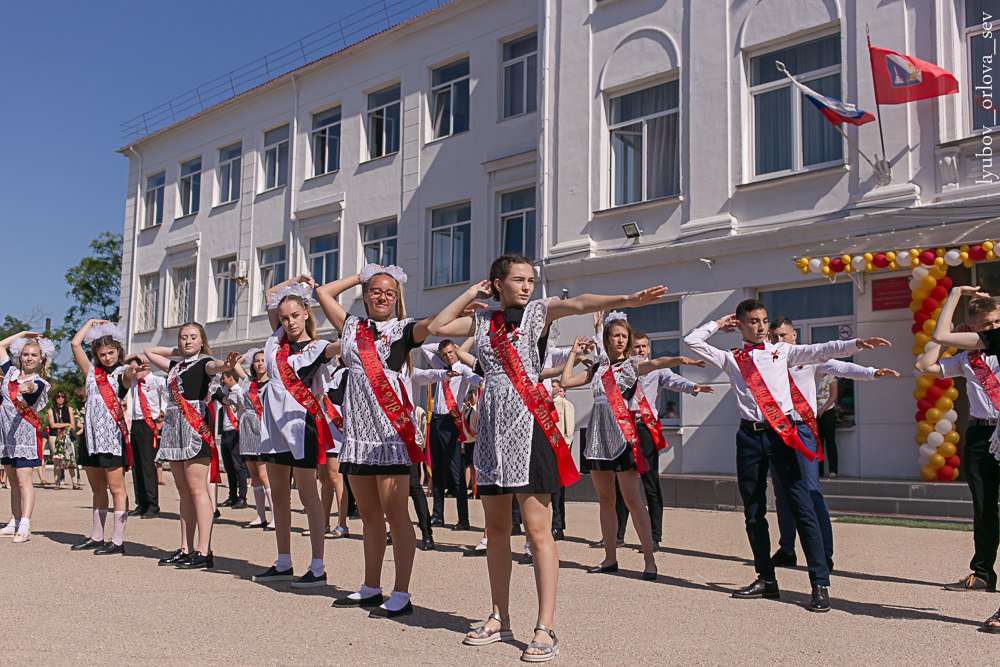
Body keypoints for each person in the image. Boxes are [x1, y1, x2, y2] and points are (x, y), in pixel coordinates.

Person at [429, 253, 667, 661]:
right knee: (498, 530)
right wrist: (473, 292)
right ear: (497, 283)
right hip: (491, 435)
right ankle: (499, 616)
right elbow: (436, 327)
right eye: (518, 279)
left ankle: (545, 626)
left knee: (538, 532)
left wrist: (629, 297)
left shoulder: (540, 312)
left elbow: (580, 303)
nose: (526, 286)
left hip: (531, 430)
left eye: (530, 279)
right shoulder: (483, 321)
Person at [684, 299, 890, 612]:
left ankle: (819, 583)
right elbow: (692, 341)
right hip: (749, 437)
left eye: (763, 320)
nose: (761, 326)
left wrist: (855, 343)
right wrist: (717, 322)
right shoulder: (732, 359)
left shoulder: (783, 351)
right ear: (739, 324)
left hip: (782, 434)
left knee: (801, 504)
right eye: (753, 321)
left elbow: (822, 351)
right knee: (754, 511)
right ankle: (766, 579)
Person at [317, 263, 436, 617]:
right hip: (358, 432)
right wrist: (362, 276)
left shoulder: (404, 328)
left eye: (388, 292)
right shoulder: (352, 326)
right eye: (374, 291)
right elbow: (323, 293)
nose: (381, 296)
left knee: (396, 514)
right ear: (366, 295)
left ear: (396, 297)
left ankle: (401, 591)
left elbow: (435, 323)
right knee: (369, 515)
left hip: (389, 433)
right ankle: (371, 586)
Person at [561, 317, 701, 580]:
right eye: (615, 336)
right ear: (607, 339)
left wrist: (681, 361)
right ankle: (610, 558)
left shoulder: (633, 365)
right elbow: (566, 381)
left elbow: (657, 363)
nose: (621, 340)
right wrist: (573, 353)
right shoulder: (598, 368)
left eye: (624, 336)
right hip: (598, 437)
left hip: (624, 436)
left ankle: (649, 560)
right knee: (605, 501)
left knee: (633, 500)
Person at [768, 316, 899, 570]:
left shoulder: (807, 356)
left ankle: (824, 553)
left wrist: (871, 373)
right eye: (774, 337)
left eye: (782, 336)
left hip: (802, 427)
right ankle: (787, 549)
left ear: (794, 336)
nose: (778, 341)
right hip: (778, 429)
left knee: (810, 489)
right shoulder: (768, 360)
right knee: (782, 493)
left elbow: (841, 368)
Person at [250, 277, 338, 589]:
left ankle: (317, 565)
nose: (288, 322)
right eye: (284, 317)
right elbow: (269, 295)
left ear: (306, 313)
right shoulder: (274, 344)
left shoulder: (318, 346)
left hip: (302, 428)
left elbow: (339, 348)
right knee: (279, 496)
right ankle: (283, 560)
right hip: (273, 429)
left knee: (308, 496)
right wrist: (296, 282)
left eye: (295, 316)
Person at [600, 324, 713, 551]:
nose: (640, 350)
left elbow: (674, 381)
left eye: (644, 347)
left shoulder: (656, 370)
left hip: (644, 429)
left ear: (649, 348)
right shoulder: (624, 368)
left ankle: (654, 536)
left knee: (650, 483)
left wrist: (694, 387)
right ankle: (618, 534)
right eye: (637, 347)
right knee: (621, 482)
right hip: (622, 427)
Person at [922, 287, 1000, 596]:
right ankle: (982, 573)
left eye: (997, 322)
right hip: (980, 434)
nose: (994, 328)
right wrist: (953, 333)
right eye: (987, 324)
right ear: (975, 327)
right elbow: (925, 366)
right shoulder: (969, 358)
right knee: (983, 508)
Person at [145, 323, 240, 569]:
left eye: (192, 337)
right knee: (183, 491)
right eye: (183, 337)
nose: (187, 341)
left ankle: (204, 549)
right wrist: (177, 350)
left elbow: (216, 366)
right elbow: (149, 352)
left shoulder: (204, 362)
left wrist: (227, 365)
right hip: (174, 427)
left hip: (194, 426)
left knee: (198, 489)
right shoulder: (176, 367)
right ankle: (186, 548)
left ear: (202, 340)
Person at [70, 320, 141, 555]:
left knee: (116, 488)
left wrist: (133, 368)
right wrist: (91, 323)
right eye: (102, 354)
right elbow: (74, 343)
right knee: (97, 489)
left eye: (111, 353)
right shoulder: (92, 373)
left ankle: (118, 540)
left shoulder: (121, 372)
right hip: (91, 439)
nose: (107, 358)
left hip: (112, 438)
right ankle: (96, 536)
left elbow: (130, 373)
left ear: (118, 351)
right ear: (96, 355)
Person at [420, 339, 482, 531]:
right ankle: (437, 515)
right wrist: (441, 348)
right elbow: (424, 348)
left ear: (456, 350)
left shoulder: (462, 369)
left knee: (456, 472)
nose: (448, 356)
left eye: (450, 352)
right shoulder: (440, 367)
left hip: (451, 421)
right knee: (437, 470)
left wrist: (480, 381)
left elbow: (474, 379)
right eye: (444, 353)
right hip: (436, 421)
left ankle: (463, 518)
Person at [0, 332, 54, 543]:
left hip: (24, 436)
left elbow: (33, 389)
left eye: (34, 355)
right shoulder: (11, 372)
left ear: (41, 359)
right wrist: (22, 335)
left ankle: (25, 524)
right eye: (25, 354)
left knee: (24, 481)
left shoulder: (39, 381)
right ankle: (13, 521)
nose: (29, 358)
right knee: (12, 481)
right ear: (19, 356)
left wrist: (27, 387)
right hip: (6, 435)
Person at [231, 348, 274, 530]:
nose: (259, 363)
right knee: (254, 474)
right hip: (248, 427)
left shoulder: (272, 383)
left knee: (265, 475)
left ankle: (276, 516)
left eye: (263, 360)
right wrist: (246, 355)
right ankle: (260, 516)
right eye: (256, 360)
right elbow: (235, 365)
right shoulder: (249, 382)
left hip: (264, 428)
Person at [126, 359, 166, 518]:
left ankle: (152, 505)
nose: (134, 371)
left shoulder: (156, 380)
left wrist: (163, 414)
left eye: (137, 367)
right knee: (136, 466)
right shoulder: (133, 382)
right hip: (135, 423)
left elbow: (169, 395)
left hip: (149, 424)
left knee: (148, 465)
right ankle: (140, 503)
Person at [319, 358, 350, 539]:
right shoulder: (325, 374)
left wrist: (324, 394)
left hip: (335, 430)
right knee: (324, 478)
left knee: (335, 477)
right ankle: (323, 523)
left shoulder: (345, 373)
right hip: (322, 429)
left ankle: (342, 524)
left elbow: (339, 398)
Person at [213, 370, 249, 510]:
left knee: (238, 466)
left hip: (236, 431)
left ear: (231, 378)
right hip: (225, 431)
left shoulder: (239, 392)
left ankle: (242, 497)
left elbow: (244, 409)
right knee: (228, 466)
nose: (223, 379)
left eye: (224, 377)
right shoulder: (224, 392)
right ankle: (232, 496)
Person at [549, 381, 573, 541]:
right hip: (547, 447)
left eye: (554, 385)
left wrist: (565, 447)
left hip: (559, 447)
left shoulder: (565, 404)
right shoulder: (545, 403)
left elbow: (569, 428)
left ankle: (558, 525)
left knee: (558, 490)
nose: (552, 388)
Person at [48, 390, 81, 490]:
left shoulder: (69, 409)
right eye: (58, 397)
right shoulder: (51, 410)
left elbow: (72, 424)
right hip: (54, 436)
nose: (60, 398)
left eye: (62, 397)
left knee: (71, 458)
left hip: (67, 436)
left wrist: (66, 428)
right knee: (57, 460)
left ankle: (74, 482)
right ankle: (57, 482)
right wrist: (66, 425)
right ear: (55, 398)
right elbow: (52, 425)